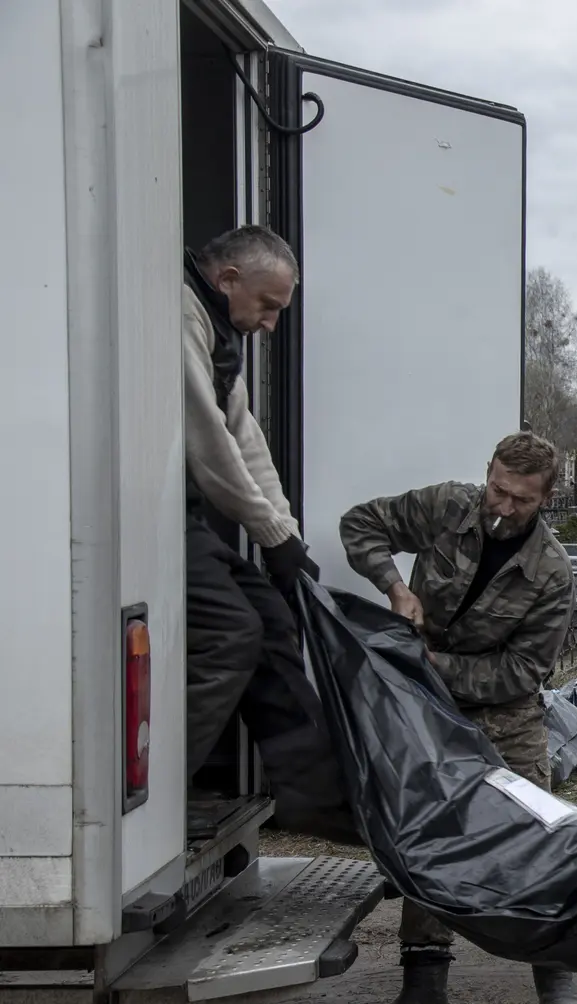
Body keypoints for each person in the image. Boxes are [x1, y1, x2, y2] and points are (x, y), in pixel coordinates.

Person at [339, 432, 577, 1004]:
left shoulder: (551, 572)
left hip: (508, 718)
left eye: (522, 500)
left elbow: (521, 671)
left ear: (546, 498)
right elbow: (360, 525)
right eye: (498, 490)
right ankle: (424, 991)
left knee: (535, 838)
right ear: (488, 474)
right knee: (431, 838)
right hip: (427, 710)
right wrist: (396, 588)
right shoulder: (448, 507)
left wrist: (431, 663)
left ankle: (555, 971)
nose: (504, 507)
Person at [182, 226, 352, 840]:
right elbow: (208, 443)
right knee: (232, 632)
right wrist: (270, 534)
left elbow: (245, 437)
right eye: (269, 305)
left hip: (183, 519)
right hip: (148, 516)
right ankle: (160, 799)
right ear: (228, 279)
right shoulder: (181, 314)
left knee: (273, 621)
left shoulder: (217, 326)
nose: (272, 323)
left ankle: (313, 796)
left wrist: (286, 536)